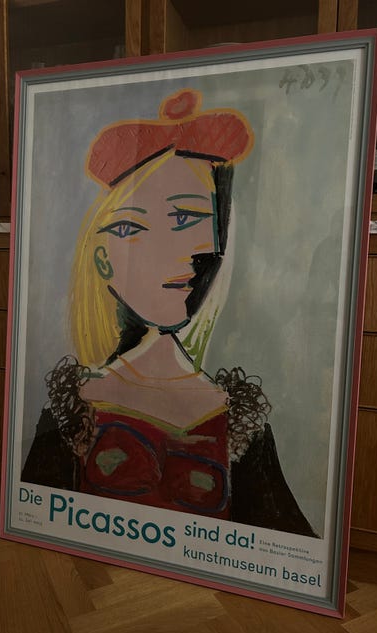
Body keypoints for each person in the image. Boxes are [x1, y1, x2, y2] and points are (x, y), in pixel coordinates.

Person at [22, 88, 316, 537]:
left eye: (185, 219)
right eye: (130, 227)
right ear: (101, 258)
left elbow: (285, 546)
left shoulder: (241, 421)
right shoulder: (72, 407)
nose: (165, 252)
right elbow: (37, 516)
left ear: (221, 239)